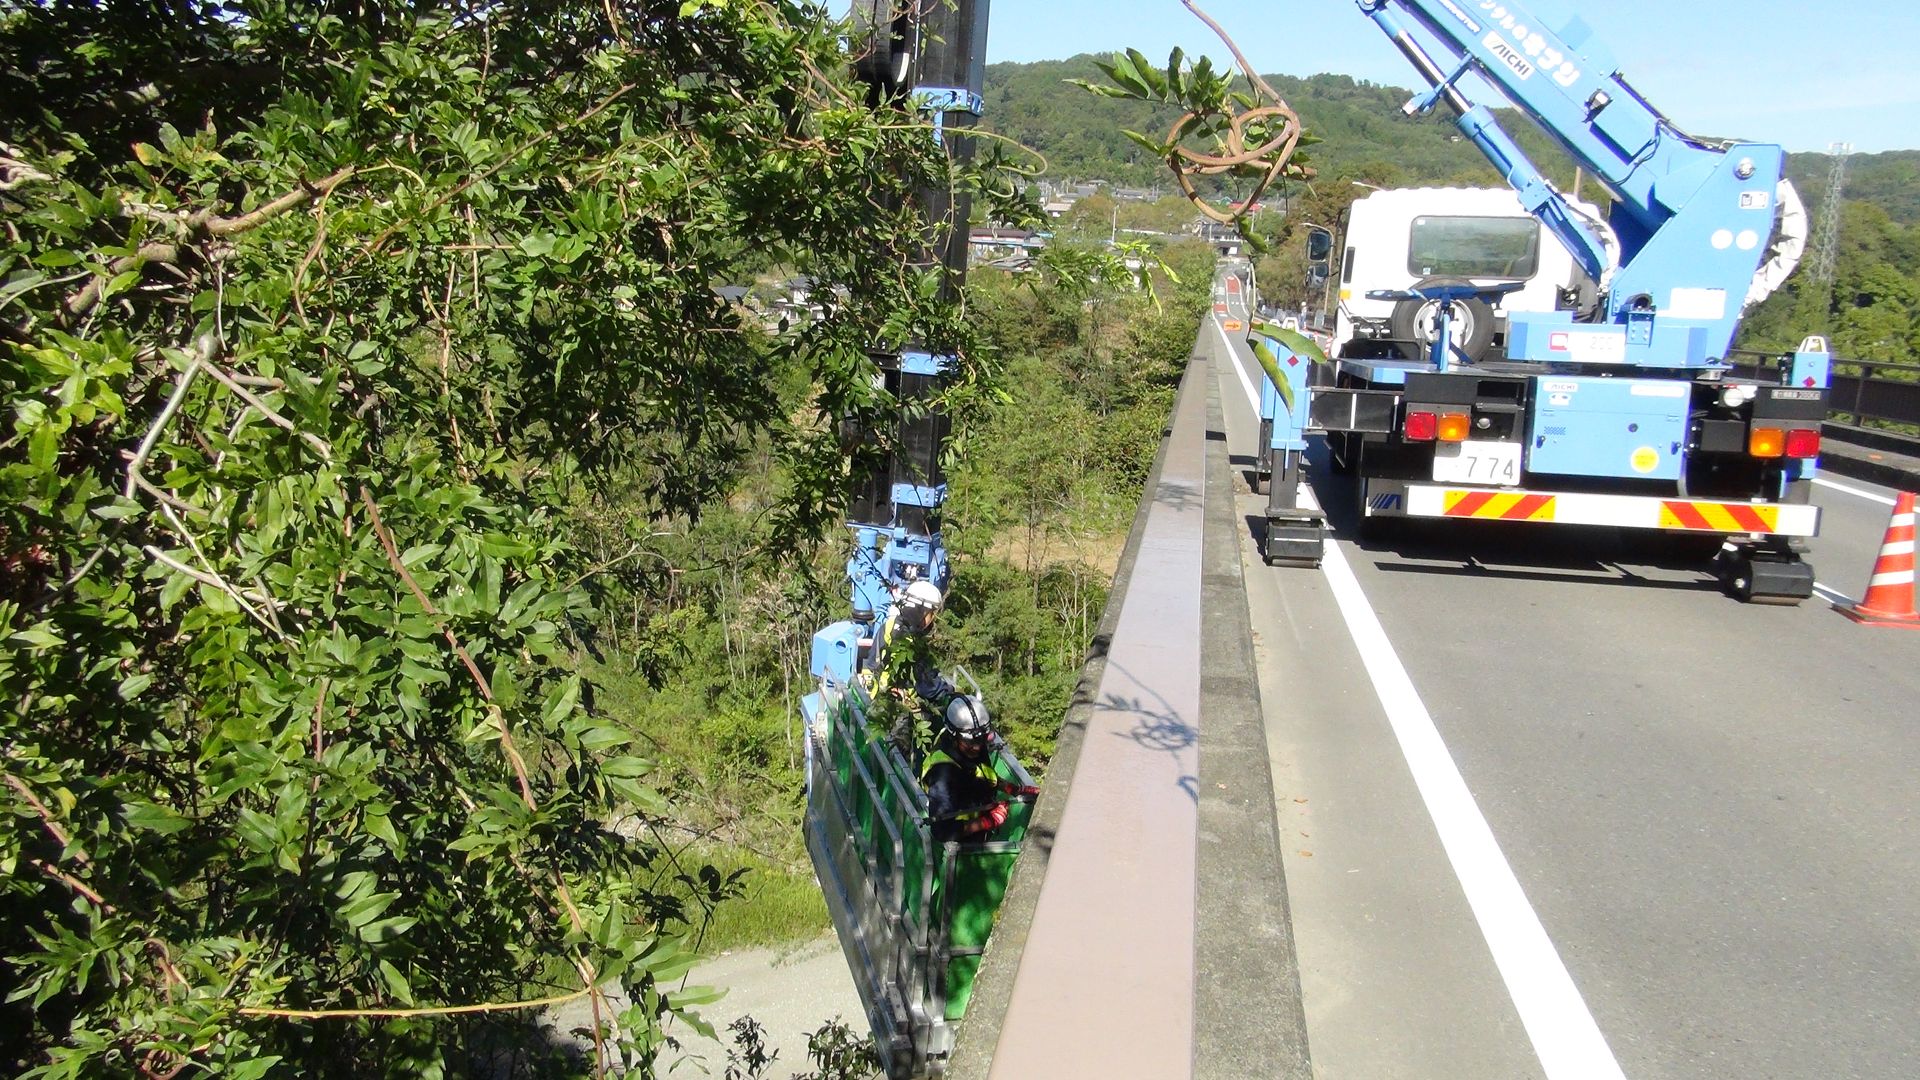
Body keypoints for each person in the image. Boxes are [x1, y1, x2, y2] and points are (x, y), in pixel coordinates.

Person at [921, 696, 1036, 843]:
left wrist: (1011, 788)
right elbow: (942, 832)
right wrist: (987, 822)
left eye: (981, 739)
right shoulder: (943, 773)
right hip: (960, 848)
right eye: (970, 742)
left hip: (977, 820)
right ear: (953, 737)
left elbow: (979, 772)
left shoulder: (970, 743)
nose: (977, 747)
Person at [868, 578, 956, 755]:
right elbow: (928, 688)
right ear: (922, 611)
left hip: (878, 702)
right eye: (931, 613)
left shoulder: (889, 625)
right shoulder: (912, 643)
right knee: (899, 760)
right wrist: (951, 693)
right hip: (900, 712)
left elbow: (872, 662)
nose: (932, 620)